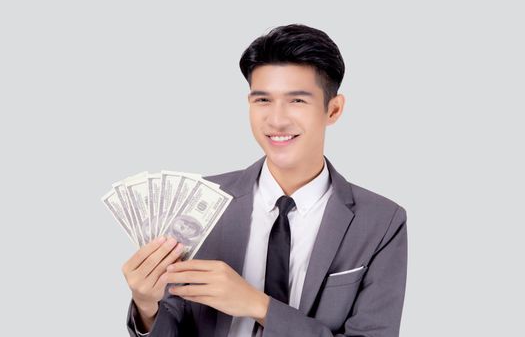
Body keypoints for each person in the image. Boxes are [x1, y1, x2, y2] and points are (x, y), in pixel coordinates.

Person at [122, 23, 408, 337]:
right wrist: (146, 305)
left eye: (297, 101)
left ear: (334, 109)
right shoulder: (201, 201)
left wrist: (259, 306)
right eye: (263, 101)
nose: (276, 119)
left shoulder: (381, 222)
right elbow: (174, 324)